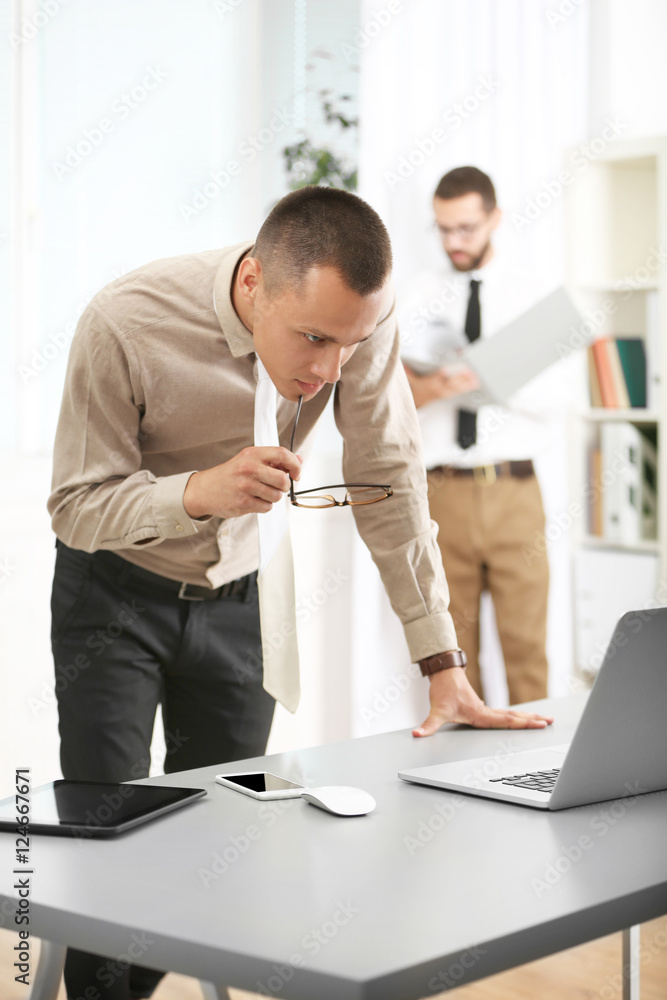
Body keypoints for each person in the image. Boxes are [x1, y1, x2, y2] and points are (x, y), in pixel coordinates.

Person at [48, 185, 552, 999]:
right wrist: (197, 491)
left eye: (349, 344)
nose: (327, 371)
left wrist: (442, 663)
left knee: (215, 840)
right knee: (110, 844)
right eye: (313, 338)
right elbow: (75, 506)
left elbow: (386, 476)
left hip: (246, 594)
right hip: (114, 596)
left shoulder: (361, 319)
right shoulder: (125, 322)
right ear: (253, 285)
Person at [401, 166, 552, 707]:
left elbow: (562, 396)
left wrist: (492, 375)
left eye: (465, 228)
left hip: (515, 492)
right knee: (454, 657)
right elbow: (390, 397)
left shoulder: (532, 293)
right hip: (444, 492)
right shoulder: (417, 296)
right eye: (443, 229)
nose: (453, 242)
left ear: (495, 219)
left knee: (527, 649)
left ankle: (539, 771)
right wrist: (439, 384)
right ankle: (464, 783)